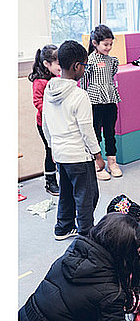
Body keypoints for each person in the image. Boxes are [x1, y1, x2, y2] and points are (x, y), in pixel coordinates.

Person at [41, 40, 104, 240]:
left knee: (66, 192)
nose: (85, 69)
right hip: (79, 155)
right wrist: (98, 155)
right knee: (87, 196)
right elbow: (87, 129)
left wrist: (52, 147)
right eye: (85, 65)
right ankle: (86, 234)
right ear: (77, 66)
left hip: (60, 154)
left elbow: (45, 124)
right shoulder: (80, 95)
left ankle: (63, 227)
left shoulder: (49, 90)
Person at [84, 25, 122, 180]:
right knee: (95, 134)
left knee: (110, 132)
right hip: (95, 101)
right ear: (95, 43)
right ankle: (97, 164)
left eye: (111, 44)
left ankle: (112, 161)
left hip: (110, 99)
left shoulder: (112, 61)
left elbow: (111, 76)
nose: (109, 47)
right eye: (105, 44)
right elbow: (84, 81)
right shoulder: (90, 61)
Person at [29, 44, 60, 195]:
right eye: (58, 63)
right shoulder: (39, 81)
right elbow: (37, 102)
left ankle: (62, 179)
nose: (61, 67)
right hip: (44, 124)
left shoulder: (56, 78)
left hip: (57, 123)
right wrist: (51, 110)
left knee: (58, 150)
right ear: (47, 64)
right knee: (50, 151)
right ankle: (50, 182)